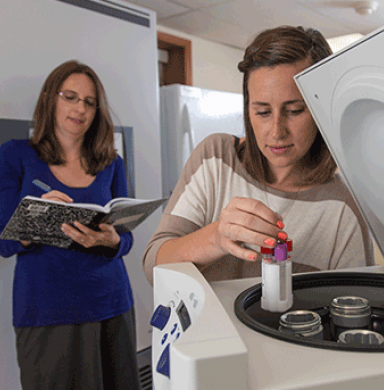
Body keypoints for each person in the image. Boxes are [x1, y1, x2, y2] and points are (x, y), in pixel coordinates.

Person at [143, 25, 375, 285]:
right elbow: (153, 264)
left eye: (296, 110)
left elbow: (352, 307)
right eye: (263, 112)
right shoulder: (215, 158)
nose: (276, 131)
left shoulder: (344, 208)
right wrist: (216, 237)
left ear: (320, 108)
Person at [0, 60, 140, 389]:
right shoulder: (15, 155)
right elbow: (3, 243)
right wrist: (37, 216)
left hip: (112, 303)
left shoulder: (111, 163)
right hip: (47, 311)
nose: (80, 108)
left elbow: (126, 237)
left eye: (89, 102)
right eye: (70, 97)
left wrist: (112, 242)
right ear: (51, 98)